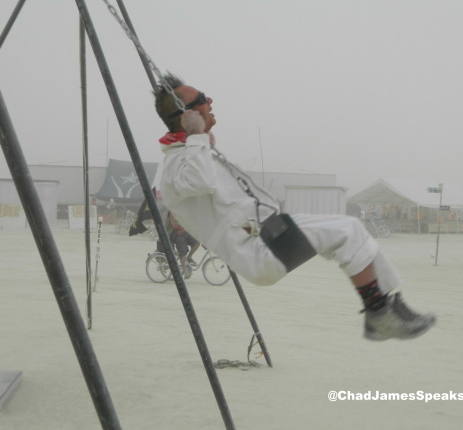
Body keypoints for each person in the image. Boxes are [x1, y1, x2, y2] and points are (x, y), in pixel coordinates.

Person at [154, 74, 436, 341]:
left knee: (353, 231)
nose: (210, 100)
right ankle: (379, 314)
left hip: (268, 233)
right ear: (186, 115)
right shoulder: (177, 164)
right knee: (348, 231)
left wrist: (198, 140)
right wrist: (196, 136)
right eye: (202, 97)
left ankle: (386, 304)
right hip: (258, 250)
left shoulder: (194, 153)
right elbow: (199, 181)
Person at [165, 211, 200, 279]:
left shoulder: (181, 210)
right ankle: (185, 270)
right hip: (175, 233)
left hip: (184, 231)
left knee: (197, 242)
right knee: (183, 251)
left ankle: (189, 257)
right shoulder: (172, 212)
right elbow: (175, 224)